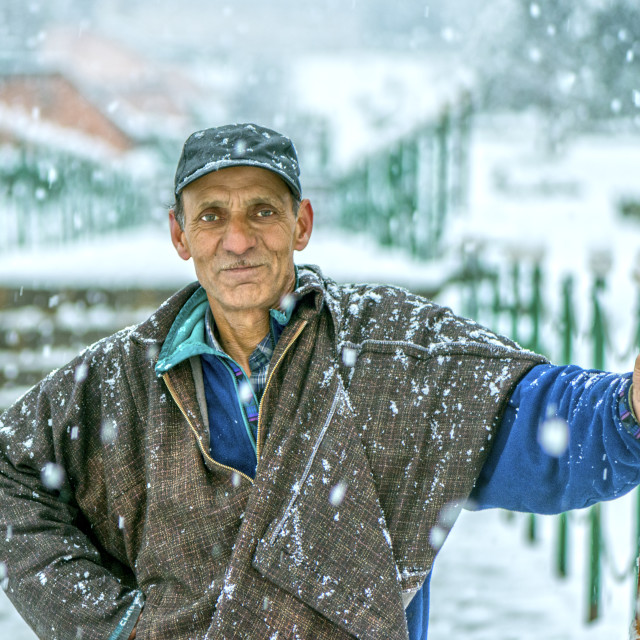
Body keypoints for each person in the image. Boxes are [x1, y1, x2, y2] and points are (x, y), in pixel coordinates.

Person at [1, 122, 640, 640]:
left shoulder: (393, 353)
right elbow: (10, 468)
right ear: (179, 234)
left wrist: (626, 409)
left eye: (262, 212)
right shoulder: (122, 381)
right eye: (211, 216)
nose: (238, 239)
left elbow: (542, 425)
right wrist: (105, 626)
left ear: (301, 223)